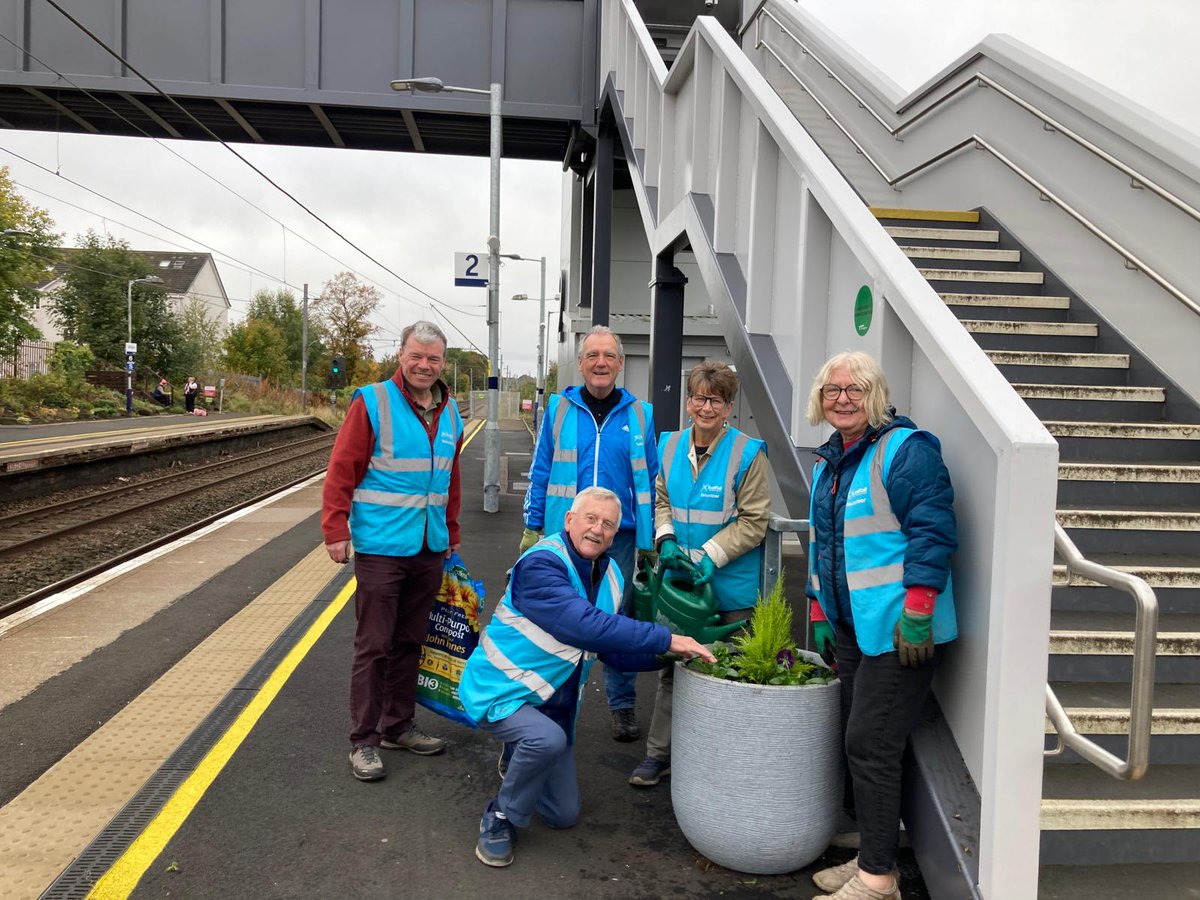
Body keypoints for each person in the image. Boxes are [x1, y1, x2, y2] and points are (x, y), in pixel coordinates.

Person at [459, 487, 716, 868]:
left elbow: (609, 649)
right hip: (503, 690)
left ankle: (522, 754)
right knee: (544, 740)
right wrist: (668, 637)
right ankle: (500, 817)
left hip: (553, 706)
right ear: (569, 521)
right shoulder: (541, 564)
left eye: (608, 524)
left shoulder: (611, 573)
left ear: (615, 534)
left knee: (563, 815)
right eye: (590, 519)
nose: (598, 529)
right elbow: (584, 626)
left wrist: (671, 657)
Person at [804, 351, 957, 900]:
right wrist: (820, 610)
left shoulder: (906, 451)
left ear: (876, 394)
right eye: (831, 390)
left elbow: (932, 531)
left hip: (900, 632)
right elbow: (826, 547)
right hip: (851, 628)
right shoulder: (829, 461)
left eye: (853, 388)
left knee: (870, 745)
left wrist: (919, 609)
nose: (841, 398)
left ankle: (877, 880)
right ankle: (873, 856)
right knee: (859, 744)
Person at [321, 321, 465, 782]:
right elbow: (343, 467)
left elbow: (450, 479)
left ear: (444, 363)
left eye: (434, 358)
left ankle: (397, 725)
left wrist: (453, 533)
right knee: (374, 644)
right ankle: (363, 740)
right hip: (382, 546)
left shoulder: (451, 411)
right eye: (416, 356)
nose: (424, 365)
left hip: (429, 545)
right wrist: (335, 529)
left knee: (410, 642)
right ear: (401, 355)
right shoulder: (373, 401)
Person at [628, 361, 770, 788]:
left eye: (716, 400)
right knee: (673, 670)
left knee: (731, 676)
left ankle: (725, 765)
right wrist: (666, 539)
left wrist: (710, 554)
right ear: (688, 402)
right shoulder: (669, 445)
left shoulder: (748, 453)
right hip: (679, 588)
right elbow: (662, 499)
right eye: (698, 398)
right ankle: (658, 755)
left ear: (729, 407)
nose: (705, 407)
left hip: (729, 589)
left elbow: (755, 520)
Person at [520, 325, 659, 742]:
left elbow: (651, 481)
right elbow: (541, 469)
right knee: (557, 623)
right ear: (580, 363)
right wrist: (532, 525)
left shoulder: (641, 414)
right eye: (592, 355)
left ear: (620, 364)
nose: (601, 363)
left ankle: (621, 706)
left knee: (619, 623)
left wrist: (649, 542)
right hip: (567, 540)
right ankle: (544, 704)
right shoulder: (560, 410)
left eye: (609, 356)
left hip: (620, 540)